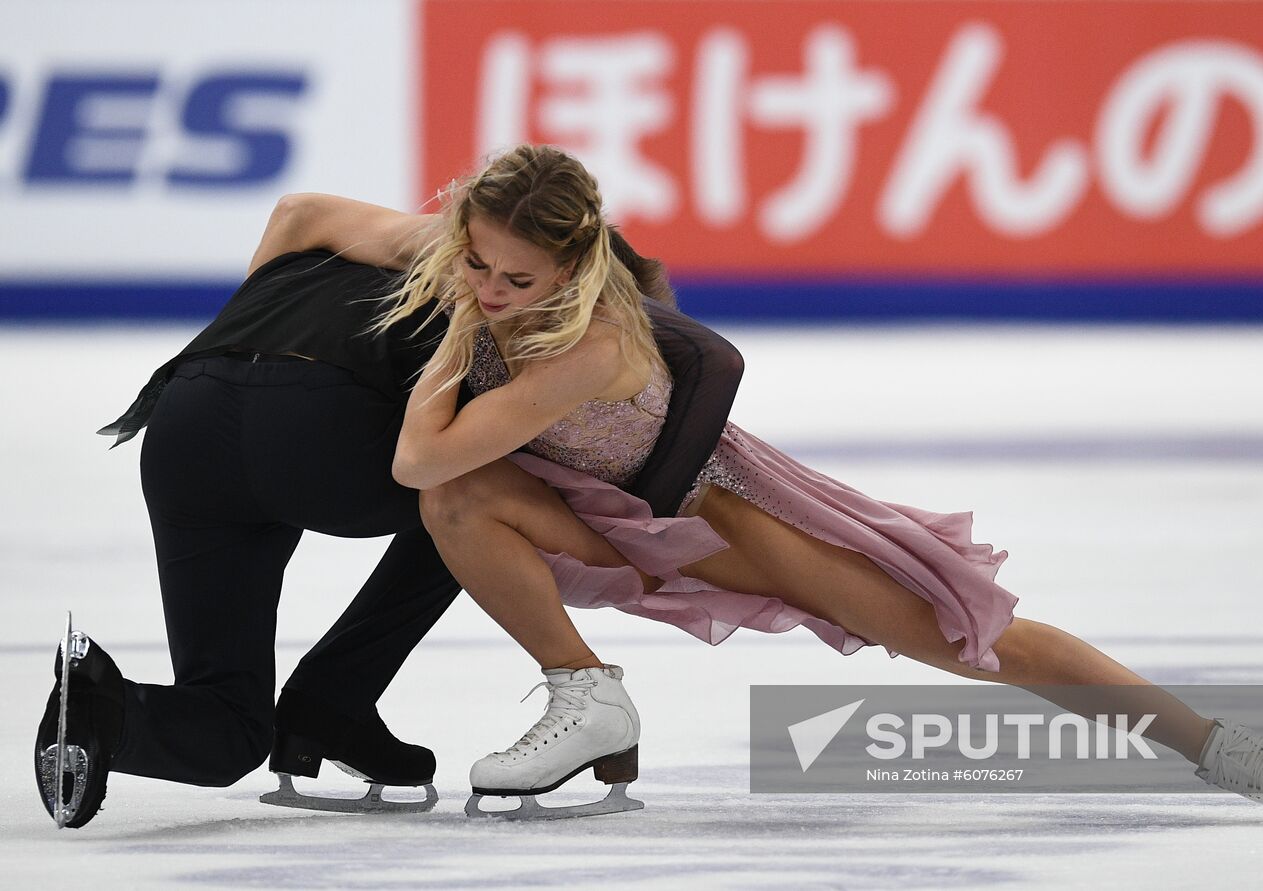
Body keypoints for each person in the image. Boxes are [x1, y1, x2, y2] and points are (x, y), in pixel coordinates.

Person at [370, 143, 1263, 821]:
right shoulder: (471, 258)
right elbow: (305, 215)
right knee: (459, 501)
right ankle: (585, 694)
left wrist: (458, 328)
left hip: (722, 517)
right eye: (472, 264)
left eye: (514, 280)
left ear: (573, 267)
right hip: (608, 515)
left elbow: (418, 452)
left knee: (981, 644)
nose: (487, 289)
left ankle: (1217, 748)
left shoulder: (593, 339)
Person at [33, 189, 745, 828]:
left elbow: (295, 213)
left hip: (188, 417)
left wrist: (254, 350)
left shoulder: (443, 245)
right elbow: (707, 357)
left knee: (229, 727)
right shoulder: (539, 305)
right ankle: (330, 700)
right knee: (474, 497)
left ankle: (105, 709)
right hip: (321, 430)